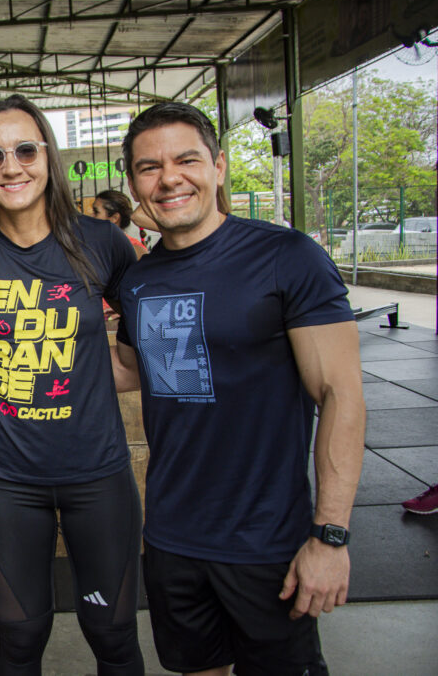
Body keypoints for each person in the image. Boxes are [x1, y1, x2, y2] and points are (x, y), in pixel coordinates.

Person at [113, 102, 366, 676]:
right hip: (173, 537)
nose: (169, 177)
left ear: (219, 167)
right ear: (133, 183)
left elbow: (341, 396)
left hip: (266, 541)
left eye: (187, 159)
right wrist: (14, 355)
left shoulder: (287, 258)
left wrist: (329, 536)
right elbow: (129, 369)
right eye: (149, 167)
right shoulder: (139, 279)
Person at [0, 94, 144, 675]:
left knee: (114, 634)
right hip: (7, 481)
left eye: (26, 149)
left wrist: (95, 379)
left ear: (47, 156)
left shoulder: (101, 242)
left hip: (97, 474)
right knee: (21, 639)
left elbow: (147, 339)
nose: (11, 166)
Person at [92, 190, 147, 259]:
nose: (91, 216)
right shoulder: (94, 245)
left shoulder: (135, 250)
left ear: (114, 218)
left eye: (96, 212)